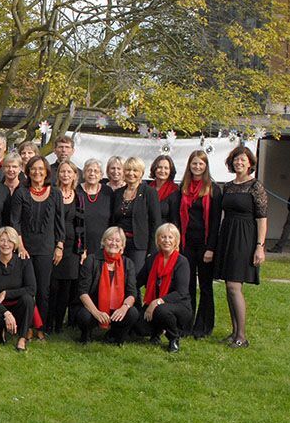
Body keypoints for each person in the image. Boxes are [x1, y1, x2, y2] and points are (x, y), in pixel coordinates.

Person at [215, 146, 267, 349]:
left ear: (250, 163)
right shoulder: (227, 187)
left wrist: (260, 246)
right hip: (228, 235)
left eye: (243, 160)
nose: (239, 163)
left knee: (234, 286)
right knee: (229, 286)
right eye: (236, 159)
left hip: (245, 237)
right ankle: (234, 331)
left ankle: (242, 337)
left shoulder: (255, 186)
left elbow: (262, 218)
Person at [11, 155, 65, 338]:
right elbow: (15, 222)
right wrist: (20, 246)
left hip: (46, 249)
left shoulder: (55, 193)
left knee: (43, 291)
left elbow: (59, 223)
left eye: (41, 168)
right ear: (28, 172)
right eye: (33, 168)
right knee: (27, 290)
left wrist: (59, 246)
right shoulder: (21, 192)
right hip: (24, 249)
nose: (37, 172)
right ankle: (26, 327)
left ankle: (40, 327)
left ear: (47, 172)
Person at [178, 150, 222, 338]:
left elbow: (215, 222)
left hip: (205, 245)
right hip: (186, 243)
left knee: (205, 286)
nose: (197, 167)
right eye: (194, 163)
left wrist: (211, 248)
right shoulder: (183, 188)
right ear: (189, 165)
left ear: (206, 166)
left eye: (200, 164)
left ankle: (203, 327)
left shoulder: (213, 189)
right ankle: (185, 325)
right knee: (187, 286)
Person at [73, 227, 139, 345]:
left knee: (133, 313)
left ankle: (115, 335)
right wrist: (96, 312)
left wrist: (124, 308)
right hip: (94, 306)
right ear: (103, 242)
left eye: (117, 241)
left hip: (117, 309)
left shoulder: (128, 263)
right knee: (84, 316)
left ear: (122, 245)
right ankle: (86, 335)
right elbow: (83, 292)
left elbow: (132, 293)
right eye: (110, 239)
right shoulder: (91, 260)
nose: (113, 243)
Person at [136, 224, 192, 353]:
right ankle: (156, 332)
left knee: (161, 310)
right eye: (163, 237)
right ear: (158, 240)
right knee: (139, 327)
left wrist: (157, 302)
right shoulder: (152, 259)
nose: (166, 240)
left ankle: (173, 338)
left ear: (176, 241)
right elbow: (138, 281)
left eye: (170, 237)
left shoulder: (182, 262)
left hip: (179, 305)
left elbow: (181, 292)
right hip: (155, 304)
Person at [0, 227, 35, 351]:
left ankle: (22, 338)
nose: (6, 244)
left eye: (10, 240)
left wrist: (6, 293)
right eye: (2, 240)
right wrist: (6, 313)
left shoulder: (24, 262)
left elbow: (31, 289)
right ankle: (0, 330)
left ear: (15, 243)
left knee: (28, 299)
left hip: (18, 307)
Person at [48, 160, 85, 333]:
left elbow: (82, 223)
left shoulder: (79, 196)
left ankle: (59, 325)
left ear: (75, 175)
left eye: (69, 172)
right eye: (62, 171)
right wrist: (57, 244)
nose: (65, 175)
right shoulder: (52, 193)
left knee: (66, 287)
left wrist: (82, 248)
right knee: (53, 285)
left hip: (72, 246)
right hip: (53, 242)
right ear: (58, 174)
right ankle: (48, 322)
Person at [111, 157, 160, 274]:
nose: (131, 173)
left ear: (141, 173)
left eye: (135, 170)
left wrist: (152, 250)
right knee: (118, 276)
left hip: (139, 245)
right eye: (128, 170)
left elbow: (155, 222)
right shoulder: (118, 193)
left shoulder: (149, 192)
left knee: (135, 277)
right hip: (118, 243)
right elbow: (113, 220)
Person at [77, 159, 114, 257]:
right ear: (84, 174)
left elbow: (112, 219)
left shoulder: (107, 191)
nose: (92, 174)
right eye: (89, 170)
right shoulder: (76, 191)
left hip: (103, 244)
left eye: (96, 171)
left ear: (101, 175)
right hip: (80, 244)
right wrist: (81, 247)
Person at [149, 155, 180, 226]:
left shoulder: (174, 191)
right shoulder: (148, 188)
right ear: (154, 169)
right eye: (159, 167)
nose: (162, 171)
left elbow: (175, 220)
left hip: (165, 230)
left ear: (170, 171)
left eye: (166, 168)